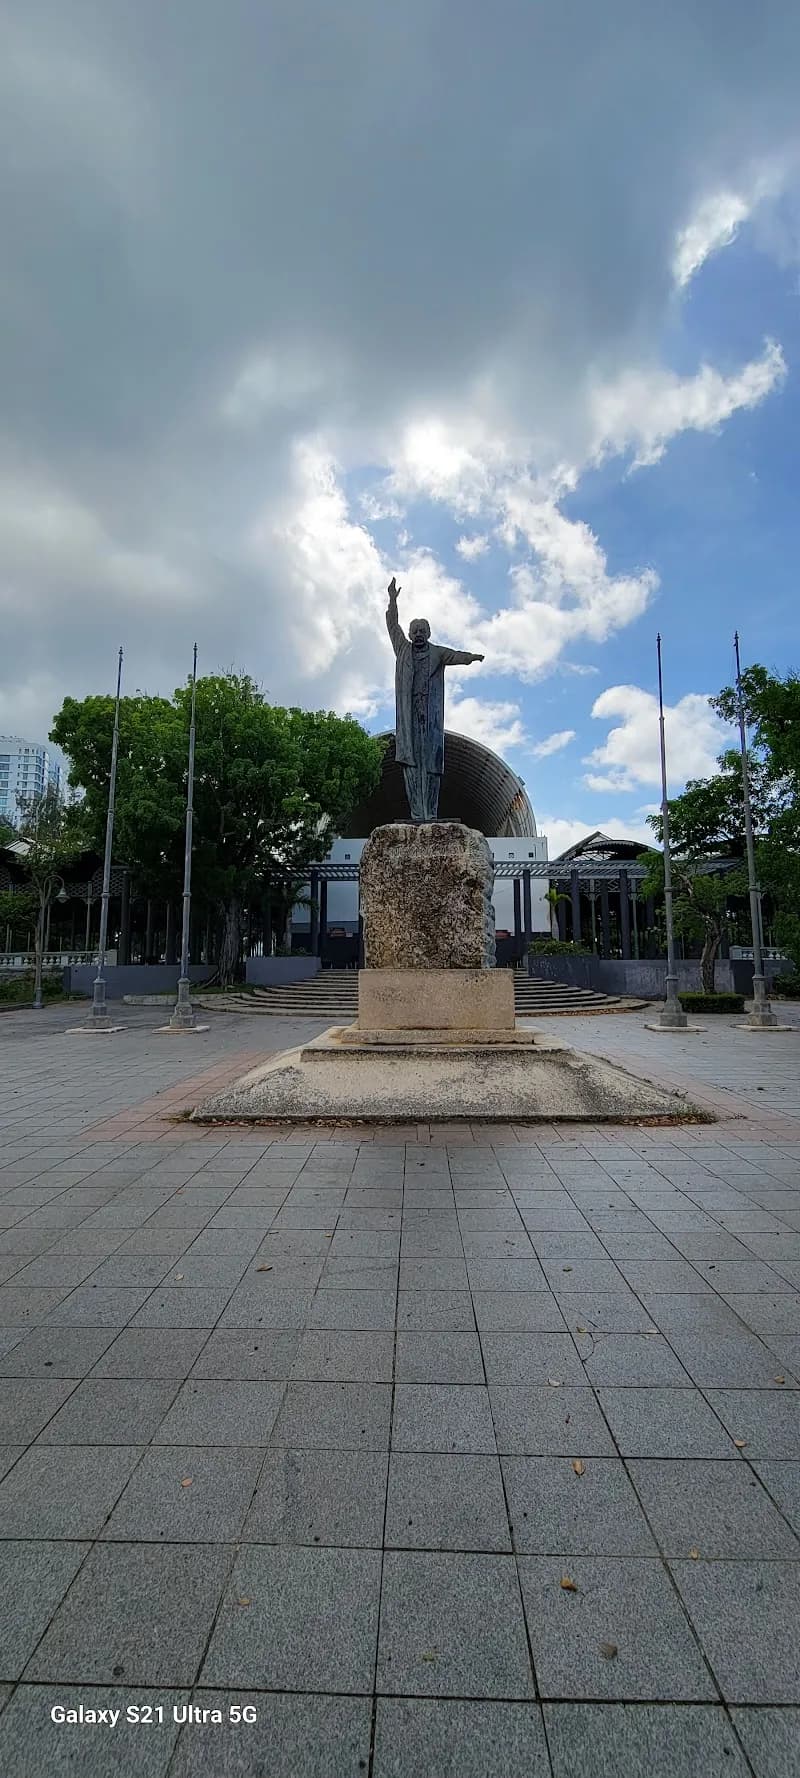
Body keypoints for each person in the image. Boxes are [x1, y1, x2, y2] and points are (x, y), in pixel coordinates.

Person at [386, 576, 484, 822]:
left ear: (428, 633)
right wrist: (392, 602)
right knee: (411, 764)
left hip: (430, 718)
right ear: (410, 634)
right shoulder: (402, 649)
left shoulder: (437, 653)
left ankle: (430, 813)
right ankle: (417, 813)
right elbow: (392, 626)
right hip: (409, 717)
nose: (418, 634)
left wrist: (471, 657)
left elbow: (454, 655)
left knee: (431, 765)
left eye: (422, 631)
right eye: (414, 631)